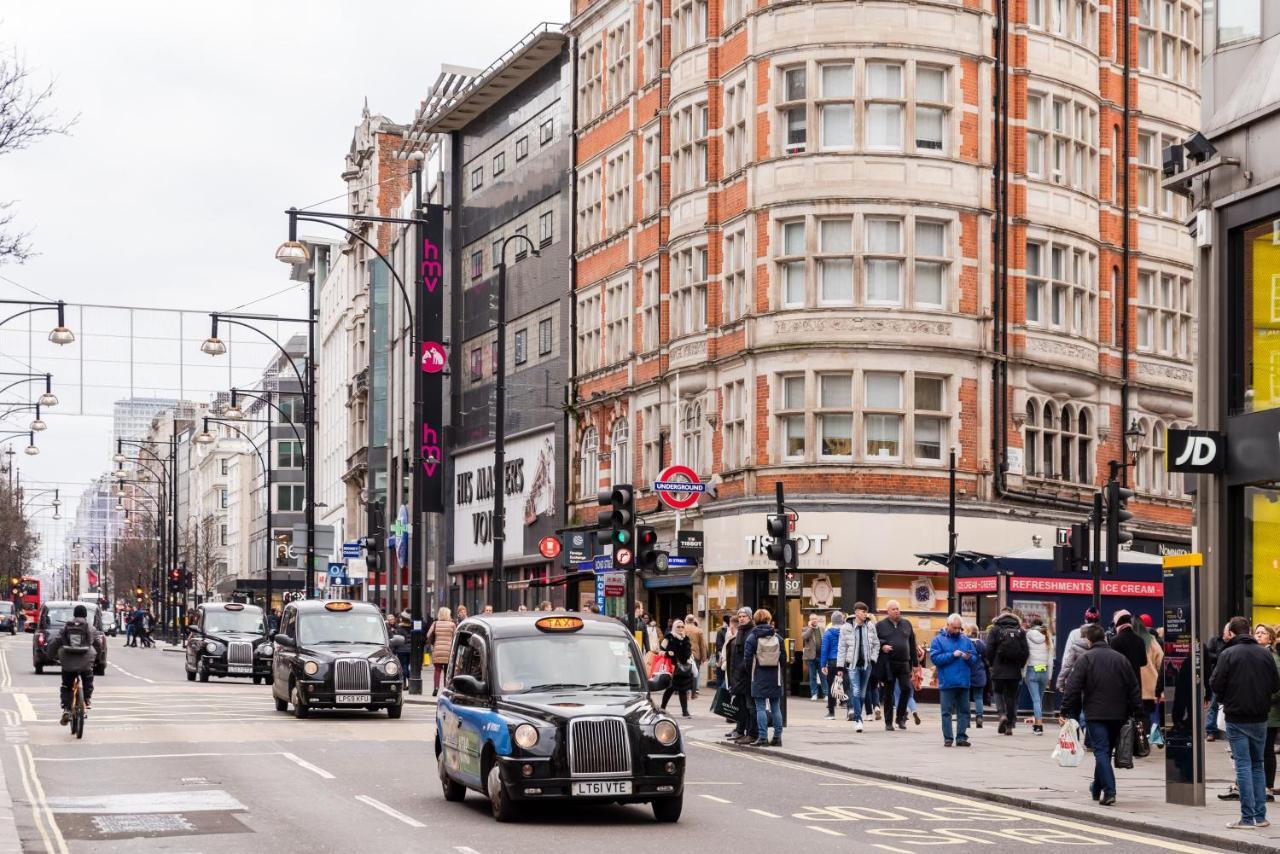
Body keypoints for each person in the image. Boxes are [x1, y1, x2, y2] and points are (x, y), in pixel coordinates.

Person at [1061, 623, 1142, 806]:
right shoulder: (1121, 659)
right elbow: (1134, 687)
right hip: (1118, 715)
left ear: (1089, 640)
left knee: (1101, 751)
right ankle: (1096, 787)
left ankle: (1110, 791)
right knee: (1105, 752)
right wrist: (1138, 711)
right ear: (1105, 638)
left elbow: (1073, 686)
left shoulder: (1086, 659)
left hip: (1096, 714)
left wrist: (1066, 710)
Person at [1211, 616, 1280, 829]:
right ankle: (1260, 817)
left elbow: (1215, 683)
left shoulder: (1228, 653)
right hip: (1260, 716)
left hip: (1236, 716)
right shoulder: (1265, 654)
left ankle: (1247, 818)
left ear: (1231, 633)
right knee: (1257, 764)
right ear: (1249, 631)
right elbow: (1275, 684)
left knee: (1243, 765)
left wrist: (1226, 698)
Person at [48, 605, 104, 725]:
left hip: (68, 661)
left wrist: (51, 656)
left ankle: (67, 708)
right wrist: (99, 659)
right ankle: (87, 700)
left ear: (74, 615)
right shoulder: (91, 628)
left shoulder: (66, 627)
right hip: (85, 661)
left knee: (66, 685)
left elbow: (55, 642)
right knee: (88, 677)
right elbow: (98, 645)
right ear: (85, 615)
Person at [930, 614, 976, 747]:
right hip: (947, 681)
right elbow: (935, 659)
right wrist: (952, 655)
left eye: (959, 628)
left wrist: (969, 658)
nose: (957, 631)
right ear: (948, 625)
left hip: (963, 681)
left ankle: (961, 737)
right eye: (954, 628)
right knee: (946, 712)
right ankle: (948, 738)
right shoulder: (938, 640)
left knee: (964, 711)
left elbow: (974, 658)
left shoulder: (966, 640)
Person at [984, 607, 1029, 735]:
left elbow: (989, 649)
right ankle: (1009, 726)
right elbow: (1025, 651)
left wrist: (992, 663)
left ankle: (1002, 715)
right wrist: (1020, 665)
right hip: (1014, 670)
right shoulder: (1020, 630)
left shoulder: (995, 629)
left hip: (998, 668)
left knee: (997, 692)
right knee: (1011, 696)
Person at [744, 608, 785, 746]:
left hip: (758, 676)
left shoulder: (752, 637)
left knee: (760, 707)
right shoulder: (778, 638)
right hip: (775, 677)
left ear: (755, 620)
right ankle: (777, 737)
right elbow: (784, 659)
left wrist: (752, 672)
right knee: (775, 707)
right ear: (768, 620)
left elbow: (747, 659)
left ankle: (762, 737)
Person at [876, 600, 919, 731]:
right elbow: (873, 642)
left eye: (898, 609)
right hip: (888, 663)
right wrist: (882, 646)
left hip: (904, 663)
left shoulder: (906, 624)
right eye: (893, 609)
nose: (896, 611)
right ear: (888, 611)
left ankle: (900, 718)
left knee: (906, 689)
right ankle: (888, 722)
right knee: (888, 693)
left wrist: (915, 664)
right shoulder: (880, 625)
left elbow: (912, 644)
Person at [836, 602, 878, 731]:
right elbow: (842, 648)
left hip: (867, 664)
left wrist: (873, 658)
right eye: (863, 611)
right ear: (856, 612)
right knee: (856, 691)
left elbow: (876, 644)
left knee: (863, 693)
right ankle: (858, 719)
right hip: (852, 665)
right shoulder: (846, 627)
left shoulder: (870, 626)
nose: (865, 614)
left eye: (866, 611)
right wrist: (840, 667)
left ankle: (858, 715)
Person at [726, 607, 757, 743]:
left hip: (747, 676)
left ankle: (751, 733)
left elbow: (748, 657)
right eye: (740, 616)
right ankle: (740, 730)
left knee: (750, 706)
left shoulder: (751, 632)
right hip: (738, 675)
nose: (741, 618)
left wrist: (744, 670)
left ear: (750, 617)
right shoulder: (740, 631)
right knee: (742, 705)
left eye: (744, 616)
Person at [1259, 625, 1280, 796]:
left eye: (1263, 633)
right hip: (1259, 709)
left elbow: (1276, 688)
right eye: (1256, 632)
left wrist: (1262, 698)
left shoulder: (1273, 658)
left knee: (1266, 749)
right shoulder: (1256, 655)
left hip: (1270, 712)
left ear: (1271, 638)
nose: (1259, 635)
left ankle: (1268, 785)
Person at [1024, 615, 1053, 735]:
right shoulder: (1047, 636)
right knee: (1039, 699)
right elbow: (1050, 658)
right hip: (1044, 671)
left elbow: (1025, 655)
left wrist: (1023, 672)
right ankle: (1037, 723)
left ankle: (1039, 726)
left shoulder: (1027, 635)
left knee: (1035, 699)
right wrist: (1050, 675)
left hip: (1031, 670)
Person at [659, 619, 695, 717]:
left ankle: (685, 711)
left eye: (682, 627)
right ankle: (662, 707)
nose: (680, 629)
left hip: (683, 667)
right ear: (674, 627)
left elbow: (689, 651)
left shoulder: (686, 638)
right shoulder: (669, 637)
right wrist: (667, 653)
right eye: (678, 627)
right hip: (672, 667)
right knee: (670, 688)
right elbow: (660, 651)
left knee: (683, 689)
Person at [1137, 614, 1165, 740]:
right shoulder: (1153, 641)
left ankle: (1142, 737)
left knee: (1139, 713)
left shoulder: (1134, 639)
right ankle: (1150, 735)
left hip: (1136, 684)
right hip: (1151, 684)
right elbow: (1161, 661)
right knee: (1150, 712)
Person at [820, 611, 847, 720]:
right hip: (844, 661)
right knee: (846, 685)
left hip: (832, 661)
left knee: (831, 686)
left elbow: (824, 649)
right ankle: (849, 708)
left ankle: (831, 712)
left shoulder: (828, 633)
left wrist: (823, 664)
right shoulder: (846, 632)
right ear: (842, 620)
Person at [1108, 611, 1147, 684]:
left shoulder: (1115, 641)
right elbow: (1143, 662)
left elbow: (1112, 665)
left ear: (1117, 623)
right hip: (1136, 681)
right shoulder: (1140, 640)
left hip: (1120, 682)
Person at [426, 607, 456, 696]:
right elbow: (455, 636)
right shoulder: (452, 624)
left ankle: (436, 687)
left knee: (437, 670)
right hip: (448, 650)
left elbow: (428, 635)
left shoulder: (435, 624)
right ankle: (446, 688)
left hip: (437, 650)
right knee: (447, 671)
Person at [965, 624, 988, 727]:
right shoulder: (982, 644)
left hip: (967, 674)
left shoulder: (965, 643)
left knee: (966, 698)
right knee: (978, 697)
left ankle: (967, 719)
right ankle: (979, 717)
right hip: (979, 673)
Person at [1206, 627, 1227, 742]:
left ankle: (1226, 730)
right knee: (1213, 704)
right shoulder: (1215, 641)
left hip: (1229, 677)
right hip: (1217, 674)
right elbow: (1208, 654)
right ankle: (1211, 731)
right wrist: (1221, 657)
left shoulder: (1234, 643)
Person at [802, 614, 826, 701]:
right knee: (812, 676)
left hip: (821, 656)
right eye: (812, 619)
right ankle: (814, 694)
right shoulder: (805, 629)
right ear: (810, 620)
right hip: (811, 656)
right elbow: (804, 637)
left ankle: (826, 694)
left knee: (823, 675)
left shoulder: (822, 629)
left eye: (815, 619)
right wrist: (810, 628)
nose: (814, 620)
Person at [685, 614, 707, 699]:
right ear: (694, 621)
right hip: (696, 654)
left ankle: (686, 691)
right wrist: (704, 657)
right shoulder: (698, 630)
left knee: (685, 672)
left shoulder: (682, 629)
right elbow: (702, 645)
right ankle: (695, 692)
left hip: (685, 654)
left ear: (686, 620)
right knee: (696, 673)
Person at [713, 613, 731, 688]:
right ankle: (721, 694)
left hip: (723, 657)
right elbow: (719, 646)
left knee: (721, 677)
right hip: (724, 657)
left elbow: (718, 646)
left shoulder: (721, 631)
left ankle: (720, 694)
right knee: (722, 677)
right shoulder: (722, 631)